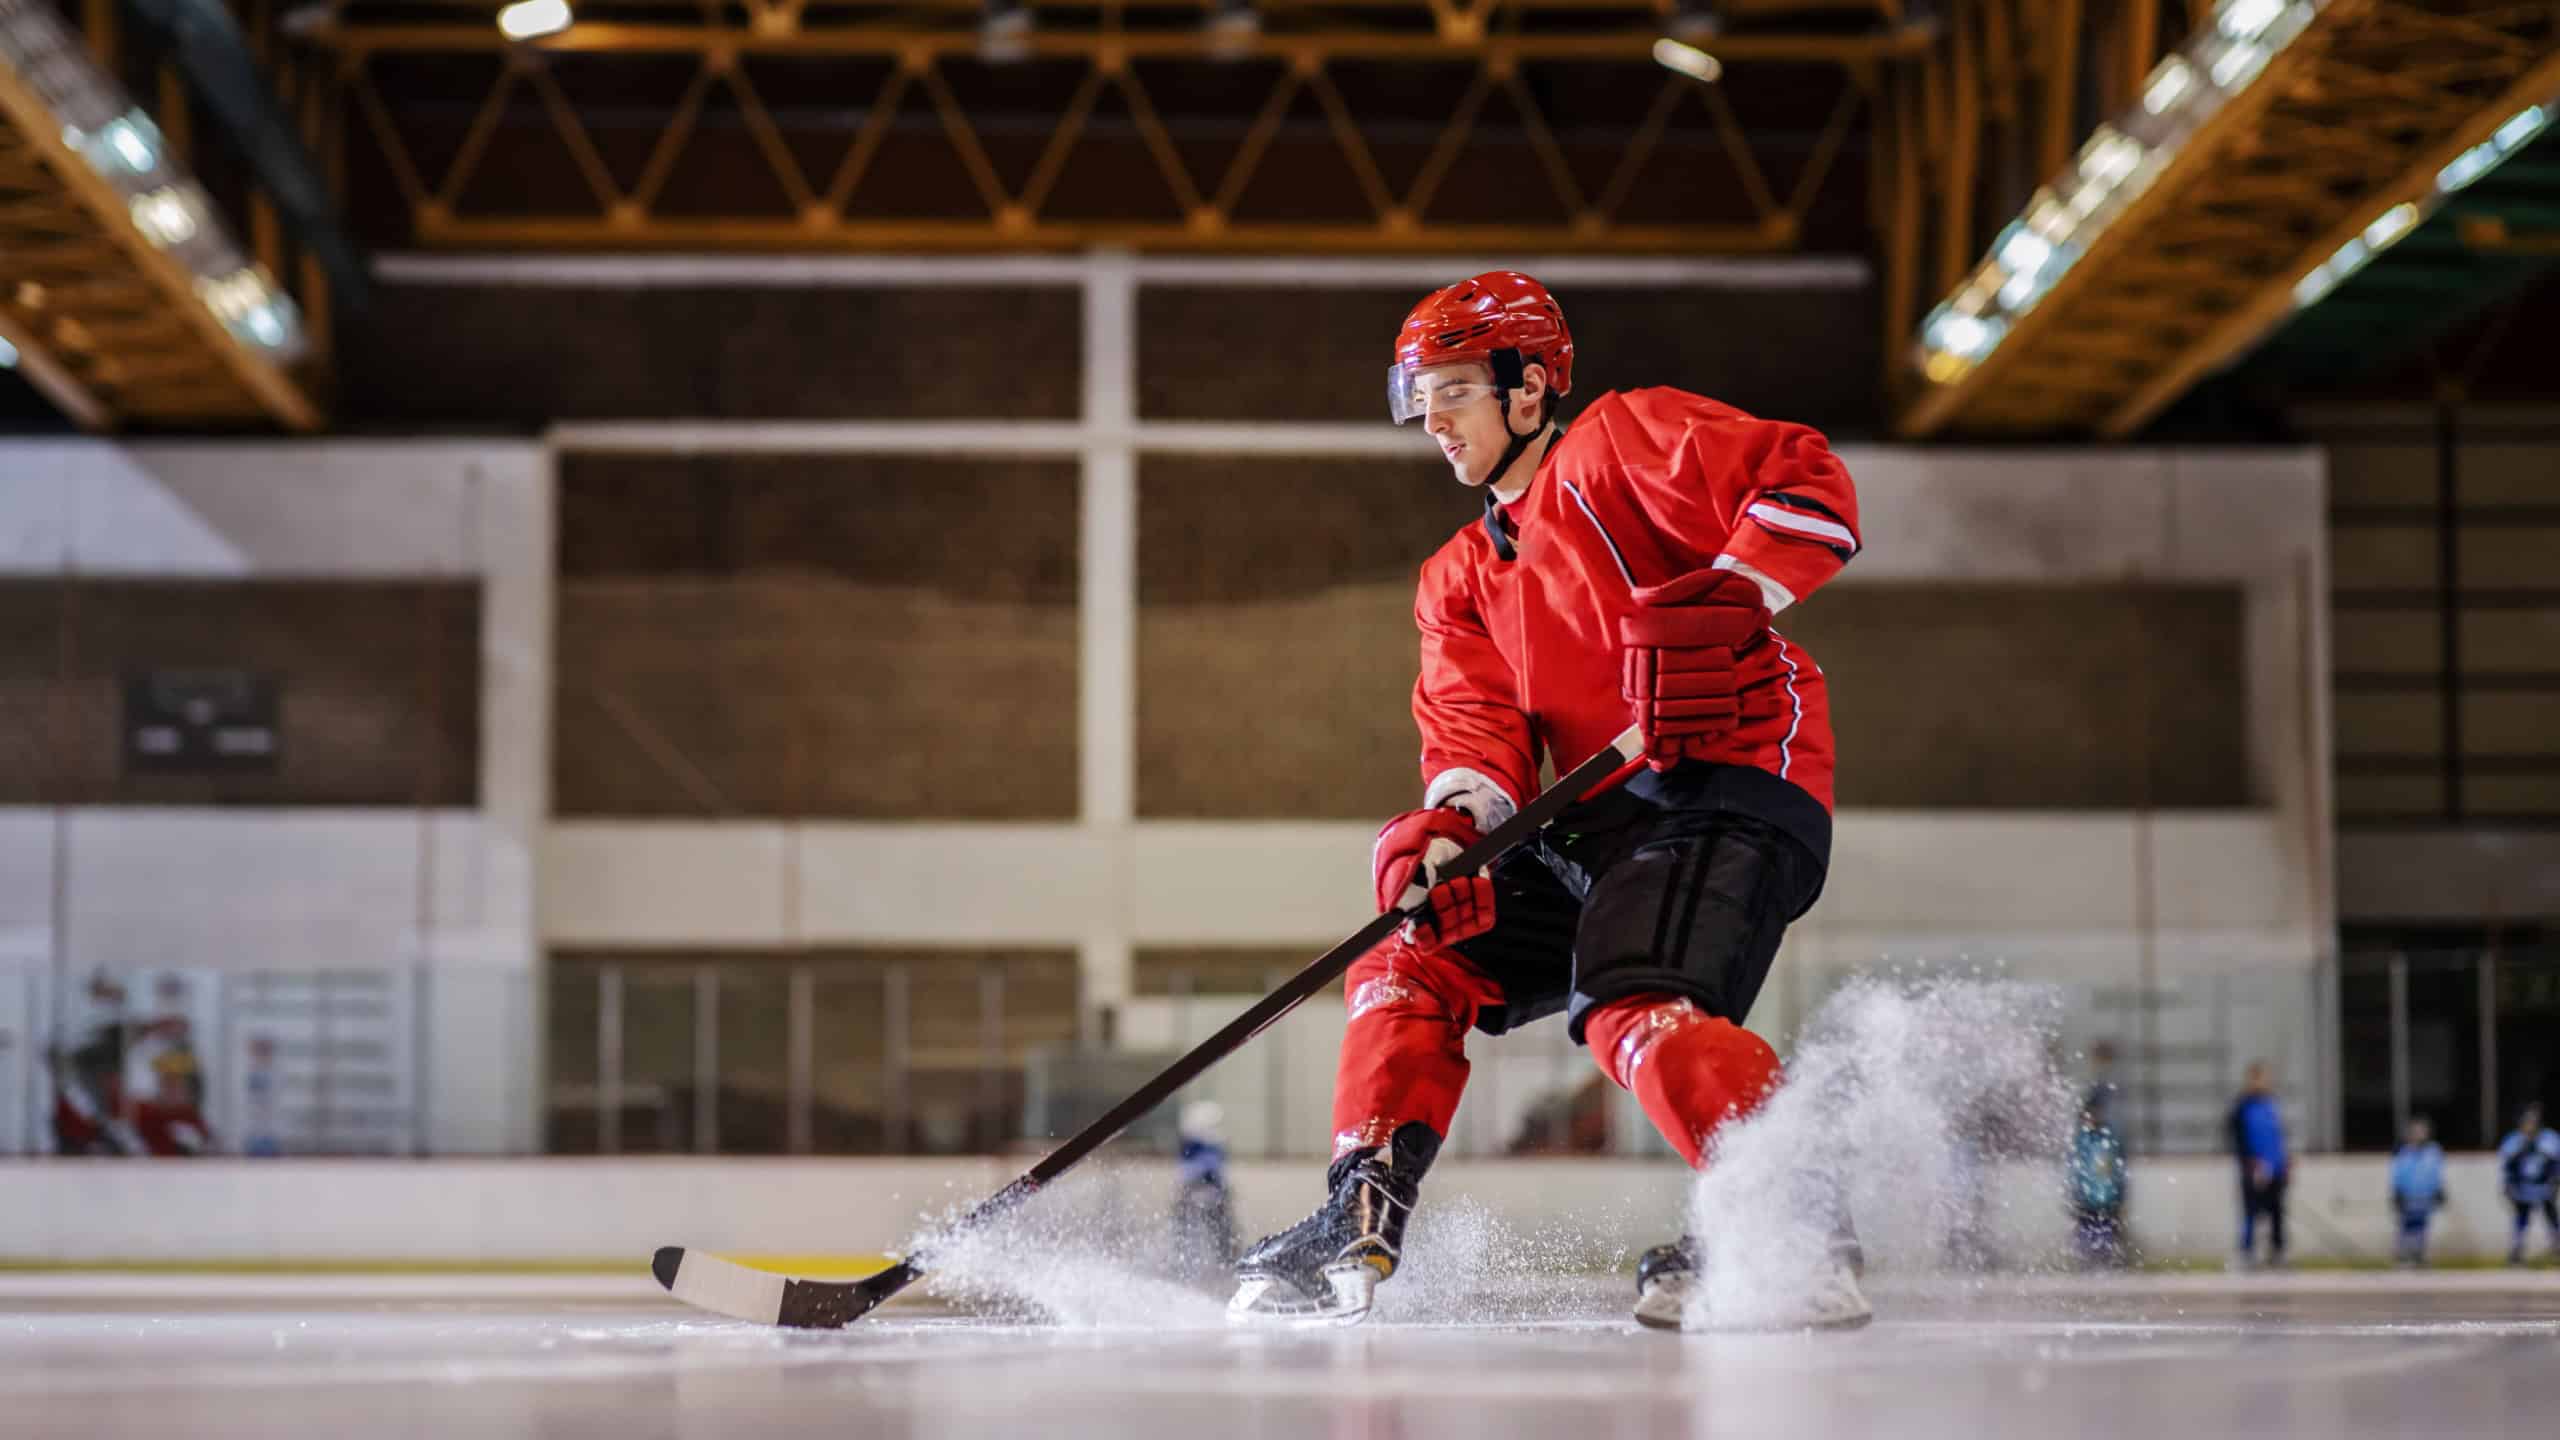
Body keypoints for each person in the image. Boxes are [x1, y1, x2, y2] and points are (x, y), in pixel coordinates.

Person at [1225, 272, 1866, 1330]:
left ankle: (1790, 1225)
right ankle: (1361, 1206)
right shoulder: (1458, 575)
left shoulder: (1621, 442)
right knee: (1409, 952)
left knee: (1632, 999)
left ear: (1529, 391)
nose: (1432, 419)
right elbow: (1475, 736)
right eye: (1418, 396)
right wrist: (1449, 836)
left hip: (1724, 781)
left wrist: (1735, 598)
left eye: (1456, 390)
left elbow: (1803, 483)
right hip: (1583, 822)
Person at [1169, 1100, 1238, 1286]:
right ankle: (1187, 1265)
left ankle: (1225, 1264)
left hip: (1211, 1198)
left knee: (1222, 1234)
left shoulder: (1211, 1147)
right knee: (1188, 1236)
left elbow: (1216, 1175)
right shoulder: (1193, 1147)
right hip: (1195, 1198)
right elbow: (1190, 1175)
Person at [2228, 1062, 2289, 1269]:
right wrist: (2250, 1161)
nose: (2266, 1082)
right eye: (2261, 1077)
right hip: (2253, 1169)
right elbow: (2238, 1138)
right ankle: (2246, 1253)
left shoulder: (2270, 1105)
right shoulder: (2243, 1107)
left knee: (2277, 1212)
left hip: (2275, 1169)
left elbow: (2276, 1137)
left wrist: (2284, 1161)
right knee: (2251, 1212)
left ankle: (2277, 1252)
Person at [2068, 1102, 2130, 1268]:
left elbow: (2118, 1170)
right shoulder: (2082, 1139)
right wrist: (2075, 1193)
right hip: (2087, 1198)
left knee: (2106, 1232)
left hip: (2107, 1197)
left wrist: (2119, 1194)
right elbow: (2075, 1169)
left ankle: (2106, 1263)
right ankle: (2088, 1264)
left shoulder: (2109, 1139)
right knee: (2087, 1233)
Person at [2498, 1101, 2559, 1266]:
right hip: (2522, 1187)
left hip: (2544, 1186)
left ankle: (2557, 1248)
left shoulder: (2550, 1138)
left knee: (2551, 1216)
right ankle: (2516, 1252)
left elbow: (2555, 1163)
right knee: (2521, 1219)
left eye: (2534, 1121)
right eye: (2527, 1121)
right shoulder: (2513, 1140)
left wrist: (2554, 1182)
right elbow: (2506, 1166)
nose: (2531, 1125)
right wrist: (2507, 1185)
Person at [2388, 1114, 2445, 1267]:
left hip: (2425, 1195)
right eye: (2417, 1131)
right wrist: (2397, 1192)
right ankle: (2402, 1256)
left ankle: (2419, 1255)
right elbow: (2397, 1173)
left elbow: (2436, 1173)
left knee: (2422, 1225)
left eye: (2423, 1131)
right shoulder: (2403, 1152)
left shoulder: (2433, 1152)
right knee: (2407, 1225)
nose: (2420, 1134)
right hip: (2408, 1195)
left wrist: (2439, 1190)